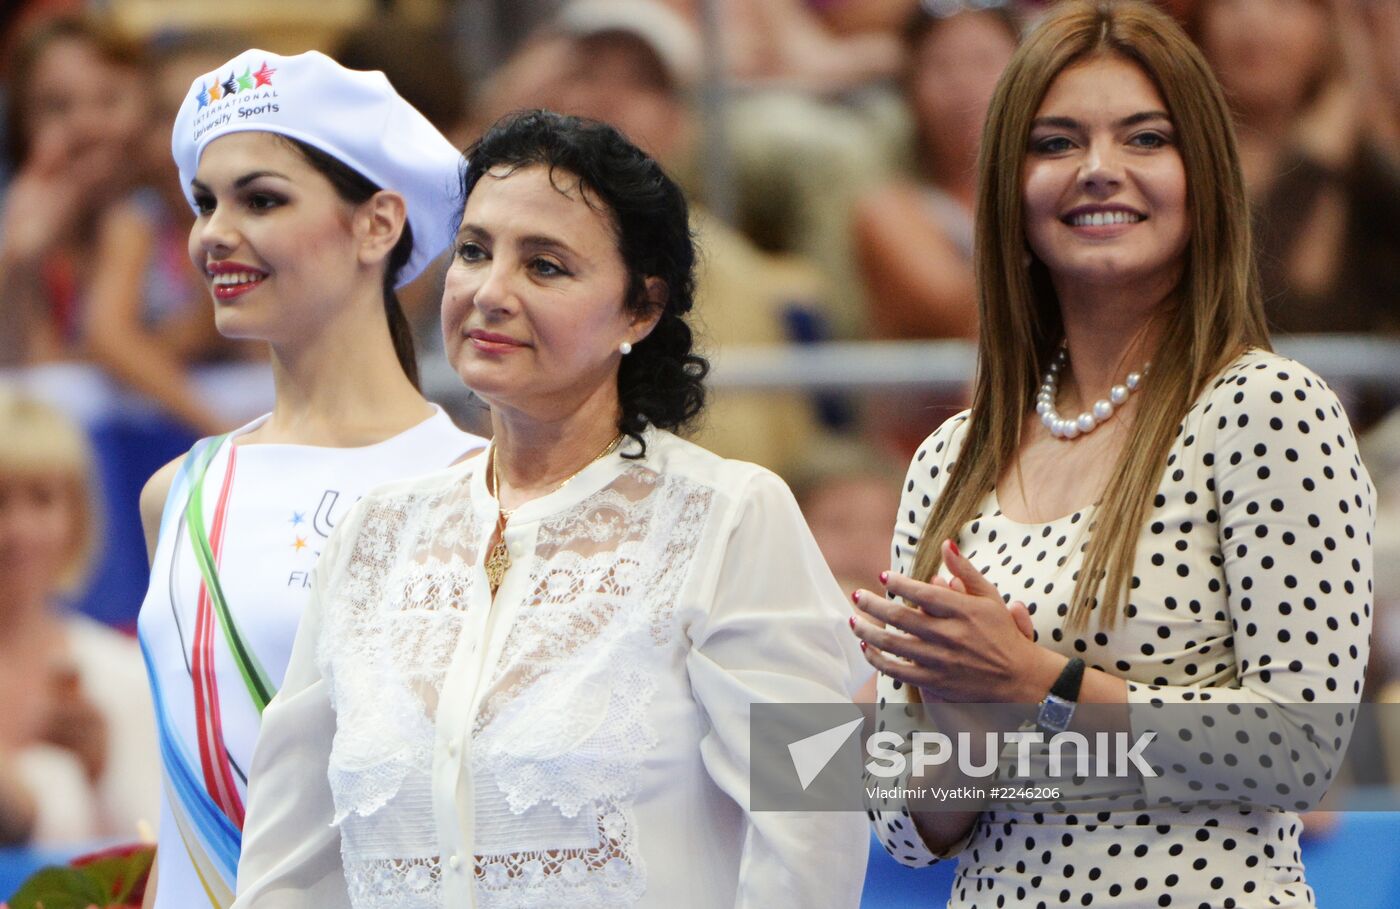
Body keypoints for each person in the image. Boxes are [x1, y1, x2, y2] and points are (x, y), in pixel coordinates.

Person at [232, 110, 868, 908]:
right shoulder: (375, 533)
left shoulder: (731, 515)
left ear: (640, 307)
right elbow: (286, 867)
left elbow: (814, 821)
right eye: (473, 252)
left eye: (546, 266)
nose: (490, 292)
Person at [849, 2, 1374, 906]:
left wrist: (1038, 687)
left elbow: (1298, 749)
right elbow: (904, 826)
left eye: (1143, 138)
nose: (1098, 171)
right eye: (1054, 143)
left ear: (1202, 174)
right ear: (1008, 187)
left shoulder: (1268, 409)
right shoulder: (949, 458)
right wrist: (971, 731)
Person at [137, 50, 486, 909]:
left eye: (261, 198)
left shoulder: (482, 486)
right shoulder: (174, 493)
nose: (215, 232)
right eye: (204, 201)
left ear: (377, 223)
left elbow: (781, 735)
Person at [0, 391, 160, 846]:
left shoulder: (122, 671)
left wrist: (101, 767)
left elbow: (159, 859)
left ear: (78, 515)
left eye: (42, 499)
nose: (18, 530)